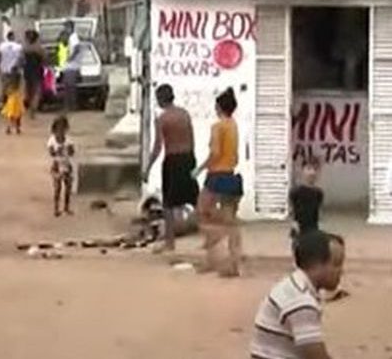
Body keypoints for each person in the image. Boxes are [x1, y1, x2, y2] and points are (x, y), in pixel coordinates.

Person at [251, 231, 345, 359]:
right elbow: (315, 355)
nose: (341, 271)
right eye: (336, 264)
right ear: (317, 265)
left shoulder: (293, 285)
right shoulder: (301, 300)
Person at [145, 84, 199, 253]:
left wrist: (147, 168)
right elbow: (192, 138)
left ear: (161, 99)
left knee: (168, 203)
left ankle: (170, 242)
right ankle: (209, 237)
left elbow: (158, 146)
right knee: (194, 199)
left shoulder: (162, 119)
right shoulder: (184, 114)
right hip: (188, 157)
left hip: (173, 159)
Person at [197, 87, 243, 277]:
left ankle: (212, 254)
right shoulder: (233, 125)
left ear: (218, 107)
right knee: (231, 222)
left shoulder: (218, 127)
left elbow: (215, 153)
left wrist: (200, 168)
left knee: (202, 212)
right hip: (231, 174)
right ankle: (232, 263)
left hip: (216, 176)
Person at [290, 157, 324, 245]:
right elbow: (293, 210)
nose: (312, 173)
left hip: (313, 230)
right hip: (299, 229)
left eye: (315, 169)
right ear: (303, 170)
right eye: (308, 169)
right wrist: (294, 224)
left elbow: (318, 212)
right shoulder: (295, 191)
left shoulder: (318, 193)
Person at [47, 115, 75, 217]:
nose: (61, 130)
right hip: (57, 166)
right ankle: (56, 208)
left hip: (66, 166)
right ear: (54, 129)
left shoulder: (69, 140)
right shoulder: (52, 140)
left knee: (68, 188)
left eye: (63, 128)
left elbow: (72, 152)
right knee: (57, 188)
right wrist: (60, 151)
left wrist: (67, 150)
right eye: (59, 128)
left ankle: (66, 208)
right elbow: (51, 153)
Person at [22, 29, 45, 118]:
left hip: (27, 72)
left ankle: (30, 107)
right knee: (36, 92)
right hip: (37, 71)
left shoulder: (25, 49)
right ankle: (33, 110)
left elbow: (21, 60)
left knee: (29, 91)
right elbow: (44, 60)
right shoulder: (39, 48)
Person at [60, 20, 81, 112]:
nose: (65, 29)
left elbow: (77, 49)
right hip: (67, 66)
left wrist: (70, 58)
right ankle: (68, 105)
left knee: (71, 87)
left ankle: (72, 106)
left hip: (72, 66)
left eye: (66, 27)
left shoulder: (74, 37)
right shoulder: (68, 37)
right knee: (67, 87)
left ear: (70, 27)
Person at [0, 70, 25, 135]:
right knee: (17, 115)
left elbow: (5, 91)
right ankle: (17, 128)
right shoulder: (18, 84)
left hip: (11, 100)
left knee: (10, 115)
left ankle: (9, 128)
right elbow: (22, 90)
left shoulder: (9, 84)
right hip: (17, 100)